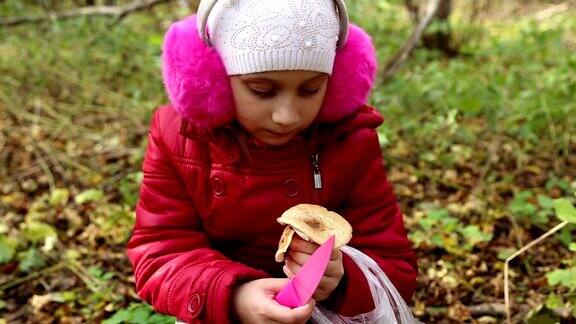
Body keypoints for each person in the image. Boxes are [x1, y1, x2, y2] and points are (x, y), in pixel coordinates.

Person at [127, 0, 418, 323]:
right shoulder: (179, 139)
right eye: (262, 90)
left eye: (310, 89)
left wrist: (342, 279)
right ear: (215, 79)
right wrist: (234, 296)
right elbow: (160, 252)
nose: (286, 116)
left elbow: (396, 266)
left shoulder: (351, 140)